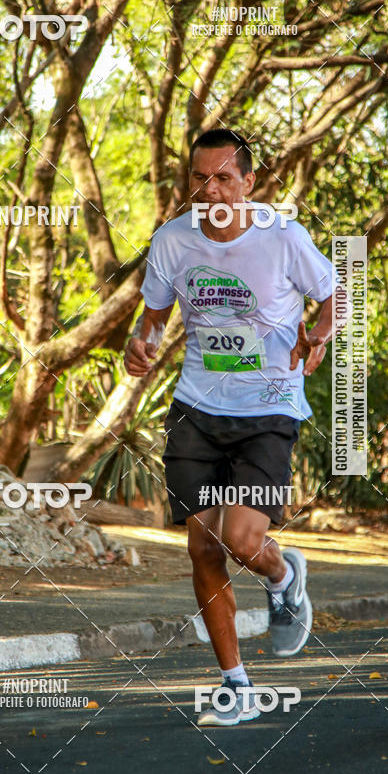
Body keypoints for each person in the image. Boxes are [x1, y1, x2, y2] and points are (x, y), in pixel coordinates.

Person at [124, 129, 339, 726]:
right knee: (202, 547)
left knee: (242, 542)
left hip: (268, 408)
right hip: (196, 406)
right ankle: (235, 685)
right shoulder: (172, 240)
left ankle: (282, 574)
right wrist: (140, 344)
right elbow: (154, 317)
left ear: (249, 181)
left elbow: (336, 295)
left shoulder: (283, 238)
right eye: (200, 178)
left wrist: (321, 333)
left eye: (223, 177)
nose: (211, 190)